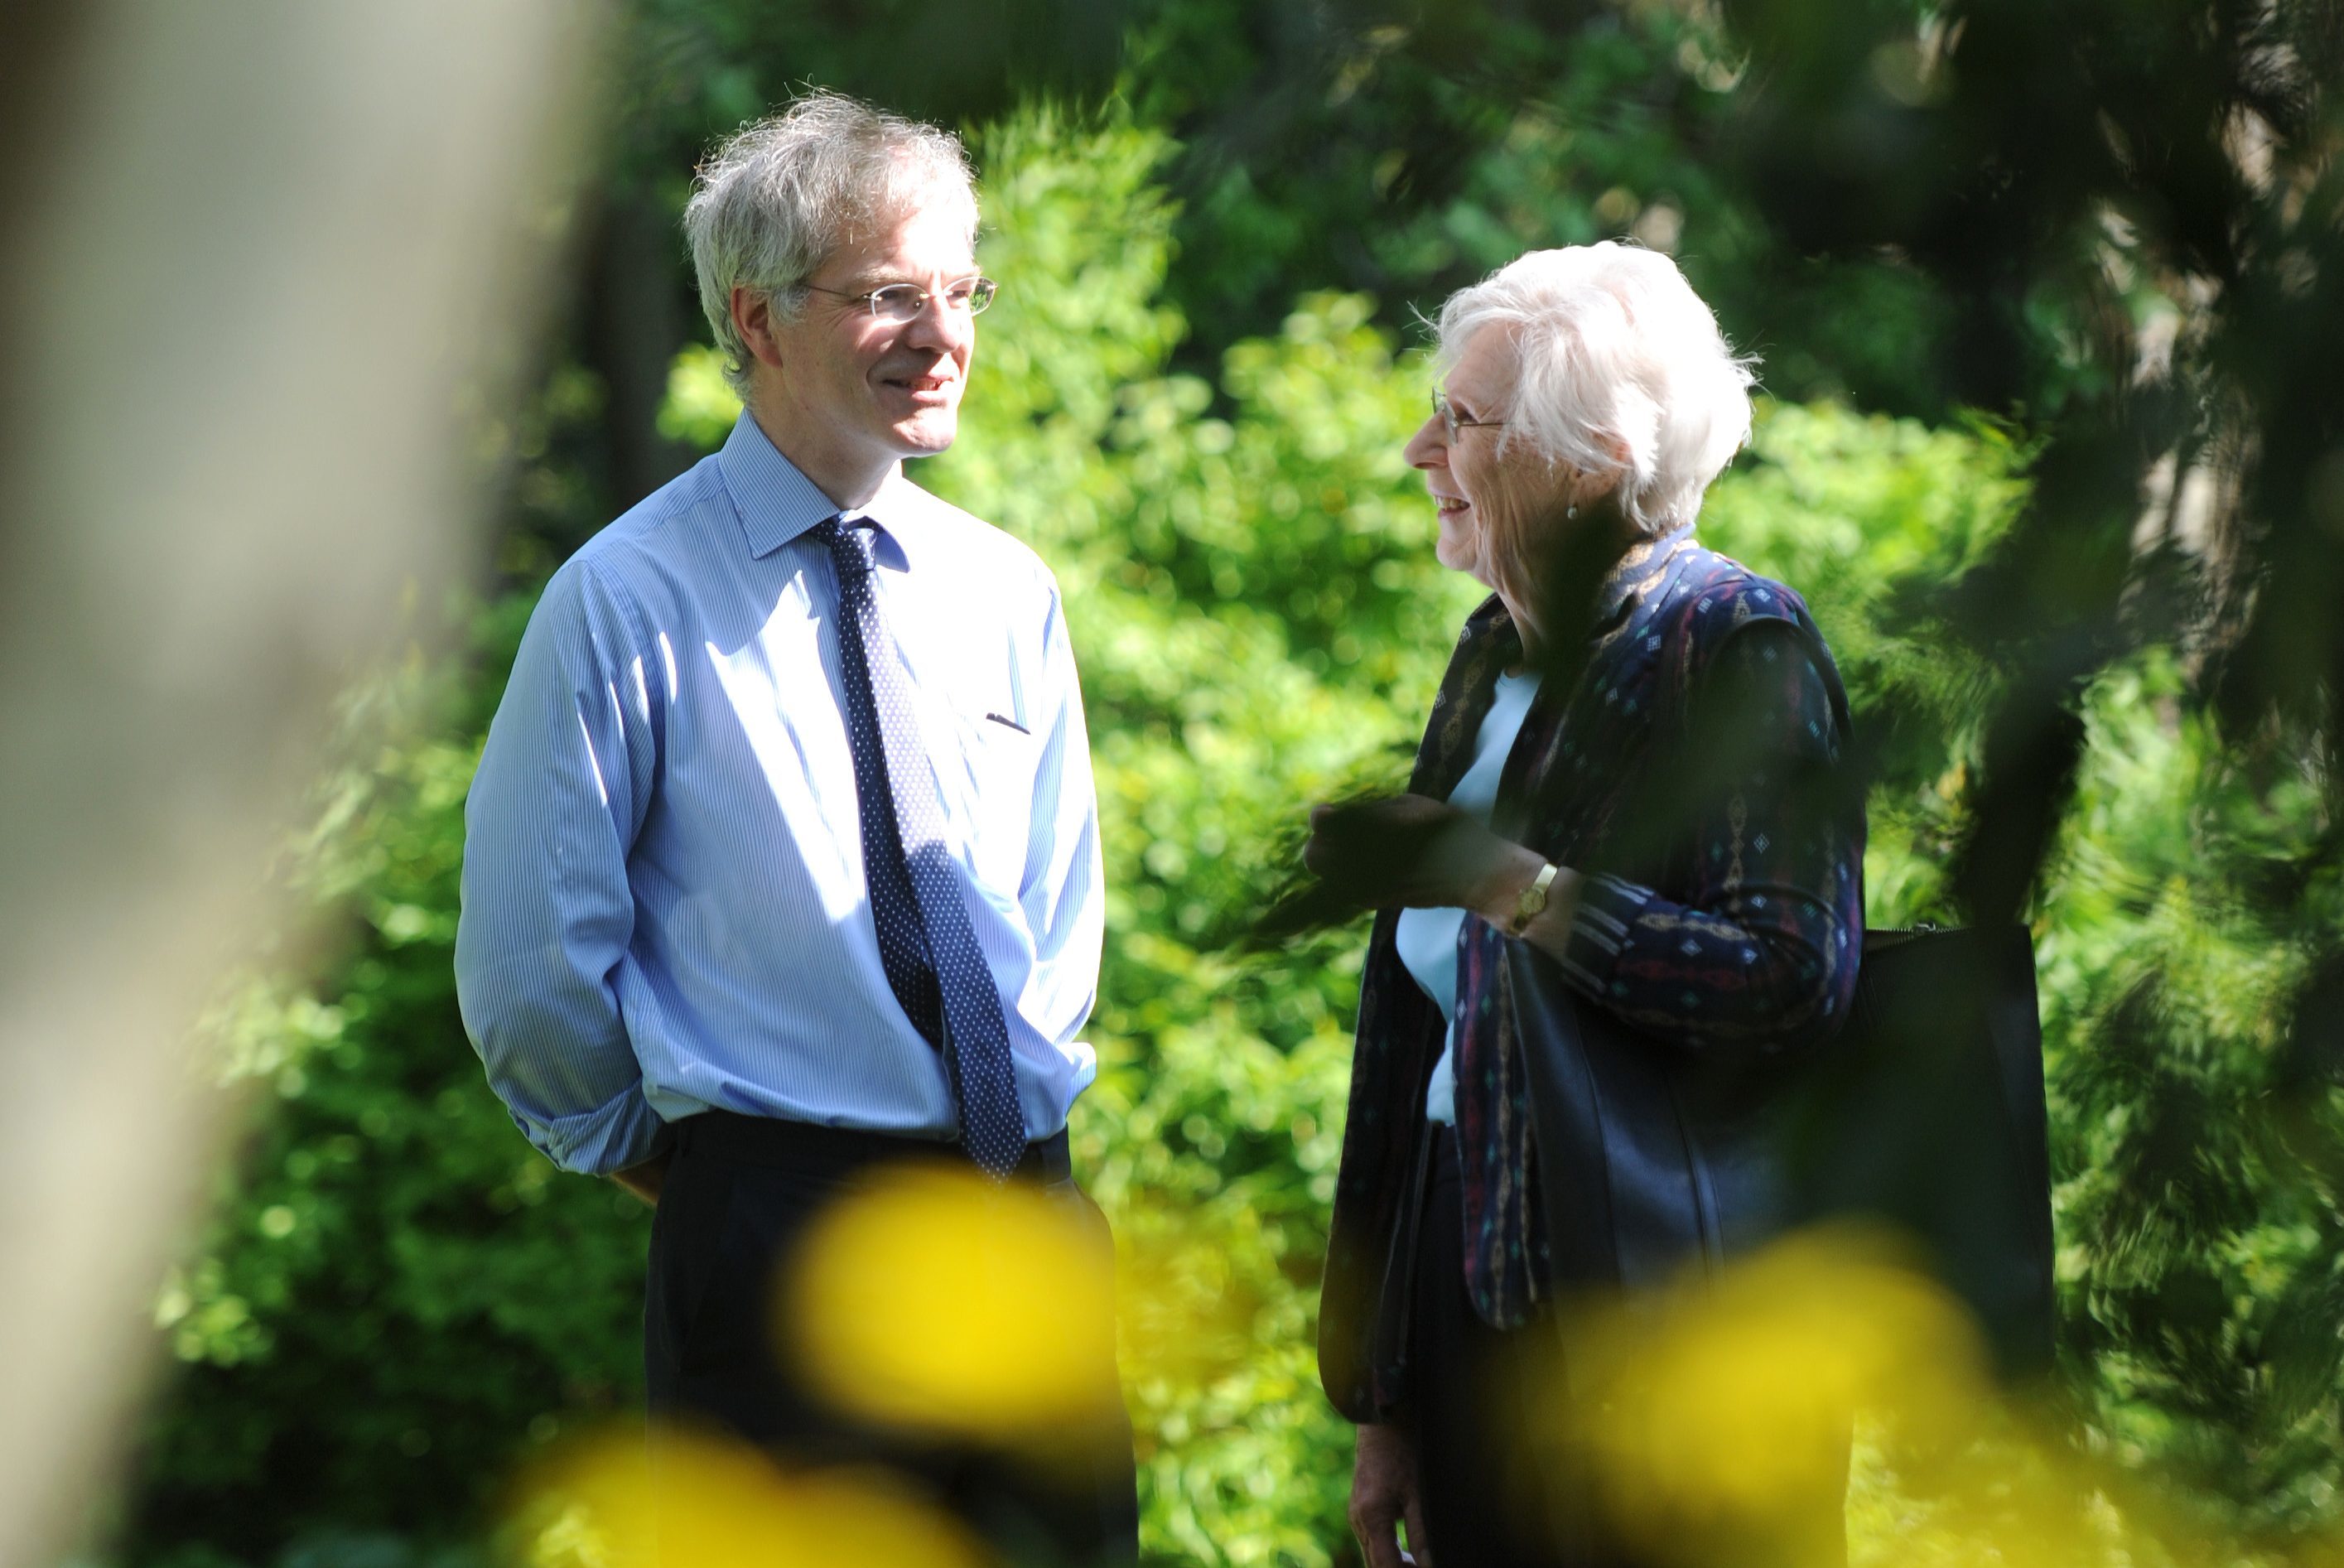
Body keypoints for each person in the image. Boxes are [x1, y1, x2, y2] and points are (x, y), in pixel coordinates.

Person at [454, 91, 1134, 1562]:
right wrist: (710, 1172)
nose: (945, 334)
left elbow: (1057, 921)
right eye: (892, 295)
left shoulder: (1004, 588)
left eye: (962, 291)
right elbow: (531, 974)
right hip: (776, 1240)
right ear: (758, 319)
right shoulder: (622, 601)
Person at [1302, 243, 1867, 1567]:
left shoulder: (1736, 645)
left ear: (1591, 462)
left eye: (1461, 420)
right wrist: (1386, 1402)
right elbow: (1425, 1050)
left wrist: (1510, 885)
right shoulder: (1495, 649)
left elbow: (1793, 975)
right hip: (1473, 1277)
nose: (1415, 450)